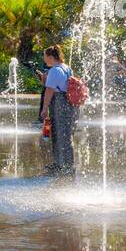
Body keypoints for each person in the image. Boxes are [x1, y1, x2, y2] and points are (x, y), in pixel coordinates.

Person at [39, 45, 77, 177]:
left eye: (45, 56)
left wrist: (44, 109)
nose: (44, 59)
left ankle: (67, 166)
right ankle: (60, 163)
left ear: (50, 57)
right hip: (69, 104)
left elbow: (49, 91)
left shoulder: (55, 70)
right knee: (60, 134)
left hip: (59, 103)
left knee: (62, 136)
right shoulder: (66, 68)